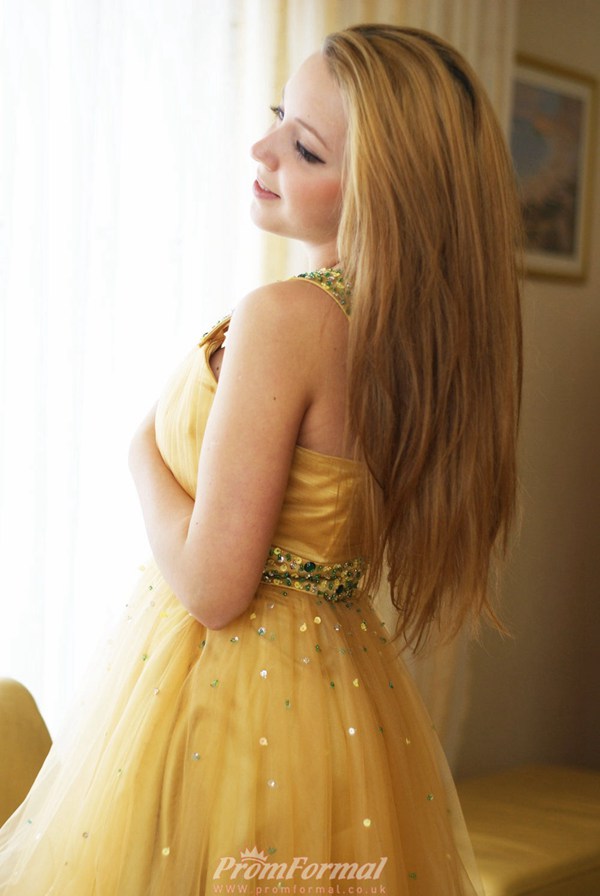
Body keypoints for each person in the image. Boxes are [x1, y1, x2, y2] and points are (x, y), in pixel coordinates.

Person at [0, 23, 521, 895]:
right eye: (280, 116)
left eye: (305, 148)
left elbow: (213, 586)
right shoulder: (404, 336)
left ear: (384, 196)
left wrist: (139, 456)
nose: (262, 149)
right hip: (342, 700)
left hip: (236, 702)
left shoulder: (291, 317)